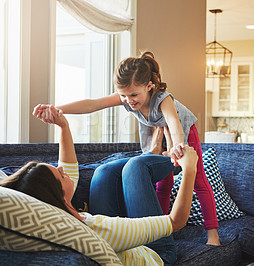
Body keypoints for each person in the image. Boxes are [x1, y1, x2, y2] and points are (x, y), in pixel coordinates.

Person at [51, 51, 220, 245]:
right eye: (123, 95)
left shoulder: (163, 99)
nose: (129, 101)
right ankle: (164, 231)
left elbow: (174, 122)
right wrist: (58, 109)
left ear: (149, 86)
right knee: (163, 184)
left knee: (199, 180)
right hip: (162, 138)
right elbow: (93, 104)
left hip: (183, 134)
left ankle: (213, 235)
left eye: (133, 95)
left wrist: (178, 146)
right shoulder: (128, 97)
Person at [1, 104, 198, 265]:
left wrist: (63, 125)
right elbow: (176, 221)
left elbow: (67, 167)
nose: (62, 170)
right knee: (135, 167)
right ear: (57, 196)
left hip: (122, 242)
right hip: (156, 253)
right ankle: (174, 161)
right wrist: (190, 169)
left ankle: (154, 154)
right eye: (60, 176)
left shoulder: (55, 212)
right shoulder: (100, 231)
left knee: (103, 172)